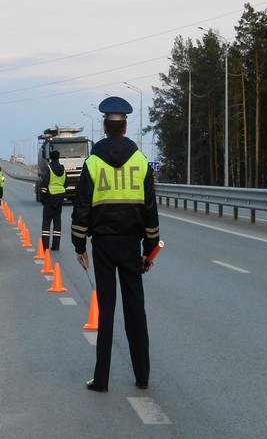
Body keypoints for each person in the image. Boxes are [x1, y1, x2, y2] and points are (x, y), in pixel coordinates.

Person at [71, 96, 160, 393]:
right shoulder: (141, 161)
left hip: (105, 245)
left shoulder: (93, 162)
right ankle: (143, 376)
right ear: (124, 127)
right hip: (132, 244)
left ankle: (102, 379)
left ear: (105, 126)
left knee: (106, 310)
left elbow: (82, 206)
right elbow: (150, 210)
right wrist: (149, 251)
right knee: (136, 309)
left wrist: (79, 244)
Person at [39, 149, 67, 251]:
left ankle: (45, 246)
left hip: (50, 198)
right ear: (58, 157)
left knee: (46, 223)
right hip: (60, 198)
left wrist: (42, 198)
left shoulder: (49, 169)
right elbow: (66, 183)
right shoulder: (63, 169)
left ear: (50, 158)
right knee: (57, 222)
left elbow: (44, 184)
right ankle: (56, 246)